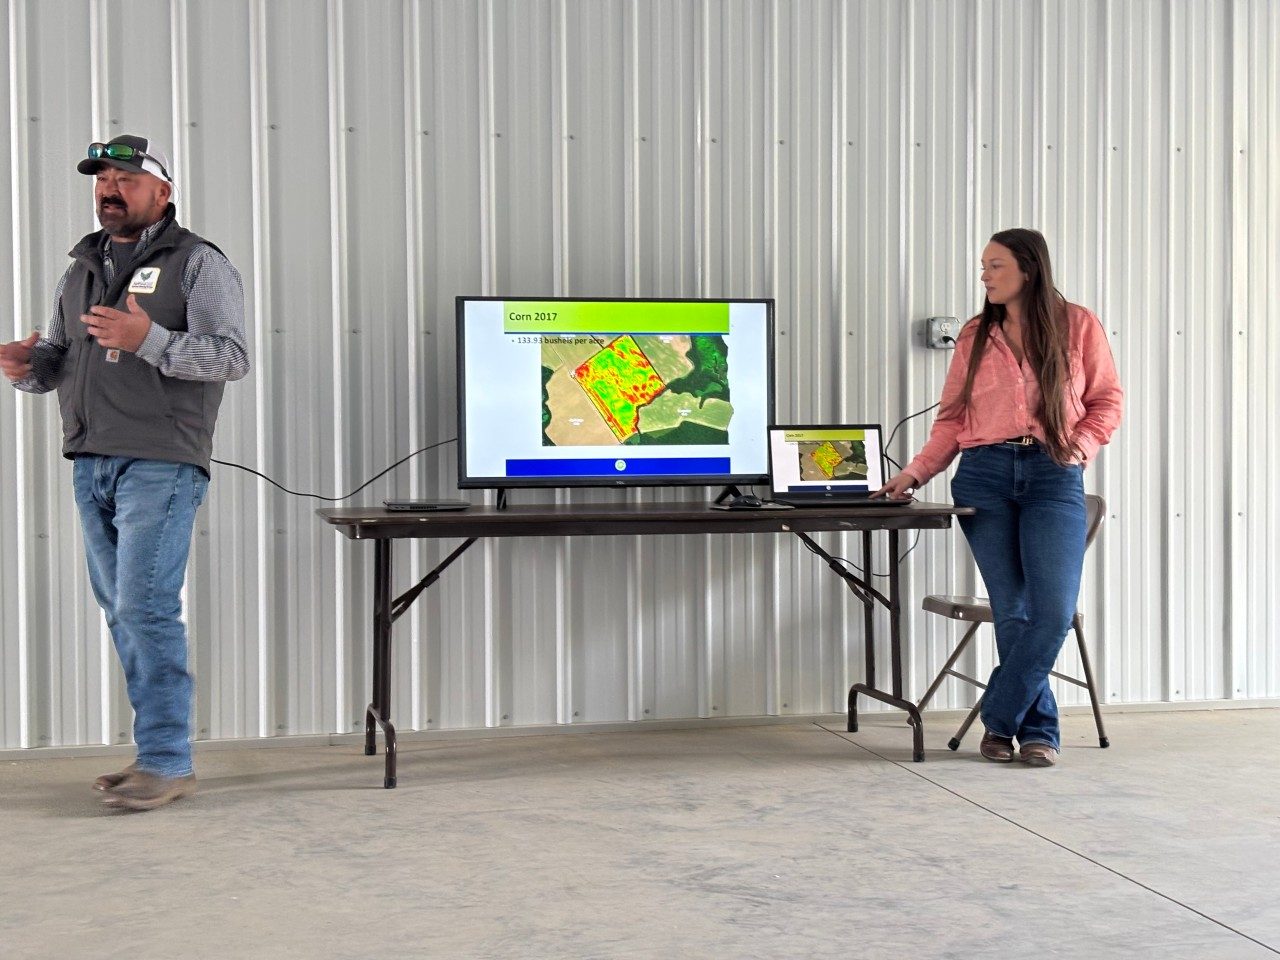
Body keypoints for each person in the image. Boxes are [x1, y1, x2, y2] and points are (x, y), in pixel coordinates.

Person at [0, 134, 249, 809]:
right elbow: (59, 357)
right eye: (103, 179)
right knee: (122, 610)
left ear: (162, 193)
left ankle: (168, 760)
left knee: (143, 605)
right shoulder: (81, 265)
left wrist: (152, 340)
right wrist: (25, 368)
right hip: (91, 458)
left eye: (127, 179)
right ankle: (157, 756)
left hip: (162, 461)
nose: (111, 190)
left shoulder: (198, 263)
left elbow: (231, 357)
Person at [874, 228, 1122, 767]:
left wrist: (1077, 448)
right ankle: (1039, 734)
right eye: (983, 266)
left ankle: (998, 719)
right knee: (1013, 611)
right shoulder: (975, 336)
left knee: (1051, 612)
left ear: (1029, 269)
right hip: (983, 476)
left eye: (995, 265)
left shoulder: (1077, 325)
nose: (984, 275)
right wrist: (914, 475)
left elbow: (1106, 401)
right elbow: (952, 420)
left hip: (1054, 474)